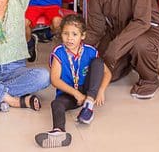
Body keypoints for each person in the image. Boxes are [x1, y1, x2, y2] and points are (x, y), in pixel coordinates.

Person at [34, 14, 111, 149]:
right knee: (56, 104)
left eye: (74, 34)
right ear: (61, 34)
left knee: (98, 62)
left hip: (88, 91)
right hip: (69, 92)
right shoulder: (59, 52)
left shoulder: (90, 51)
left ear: (82, 36)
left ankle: (88, 105)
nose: (69, 38)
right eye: (66, 34)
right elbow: (55, 80)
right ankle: (59, 132)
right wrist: (75, 94)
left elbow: (107, 73)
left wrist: (101, 91)